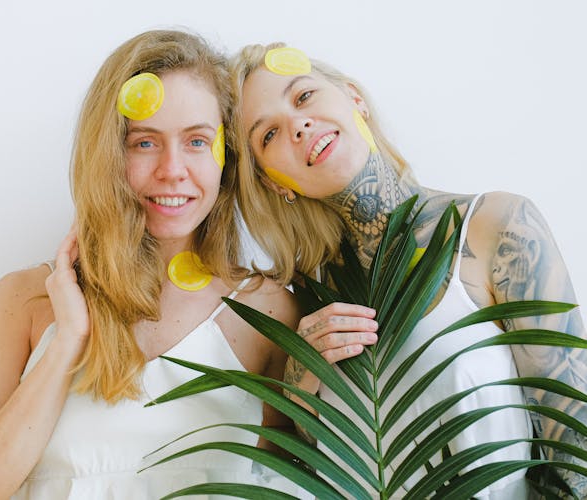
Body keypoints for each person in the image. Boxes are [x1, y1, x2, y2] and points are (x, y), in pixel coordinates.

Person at [0, 30, 302, 499]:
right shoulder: (25, 300)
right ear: (106, 153)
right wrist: (67, 342)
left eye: (196, 141)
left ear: (225, 157)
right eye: (144, 143)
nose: (172, 169)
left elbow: (285, 482)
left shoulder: (264, 312)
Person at [230, 43, 587, 497]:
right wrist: (301, 374)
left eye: (303, 97)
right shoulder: (303, 295)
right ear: (272, 182)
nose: (298, 125)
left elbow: (572, 436)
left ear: (353, 99)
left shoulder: (495, 226)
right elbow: (306, 467)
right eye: (269, 135)